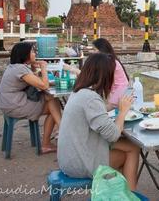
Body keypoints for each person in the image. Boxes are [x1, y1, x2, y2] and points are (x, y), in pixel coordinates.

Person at [57, 53, 140, 189]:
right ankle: (129, 195)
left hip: (70, 157)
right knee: (131, 151)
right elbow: (113, 135)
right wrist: (123, 111)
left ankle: (117, 191)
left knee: (131, 146)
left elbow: (96, 117)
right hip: (79, 163)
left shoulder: (79, 92)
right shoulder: (91, 99)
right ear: (104, 76)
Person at [0, 42, 62, 154]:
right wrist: (43, 68)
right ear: (25, 54)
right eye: (32, 51)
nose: (35, 53)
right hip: (14, 105)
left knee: (51, 98)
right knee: (52, 103)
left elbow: (36, 81)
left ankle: (61, 129)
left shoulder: (15, 67)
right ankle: (51, 139)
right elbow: (44, 85)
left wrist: (33, 67)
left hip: (7, 103)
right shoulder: (20, 69)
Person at [63, 38, 130, 111]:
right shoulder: (110, 60)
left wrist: (72, 69)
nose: (93, 52)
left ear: (102, 50)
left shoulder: (108, 62)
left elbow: (92, 77)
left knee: (105, 110)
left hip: (119, 90)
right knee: (109, 110)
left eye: (95, 50)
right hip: (118, 89)